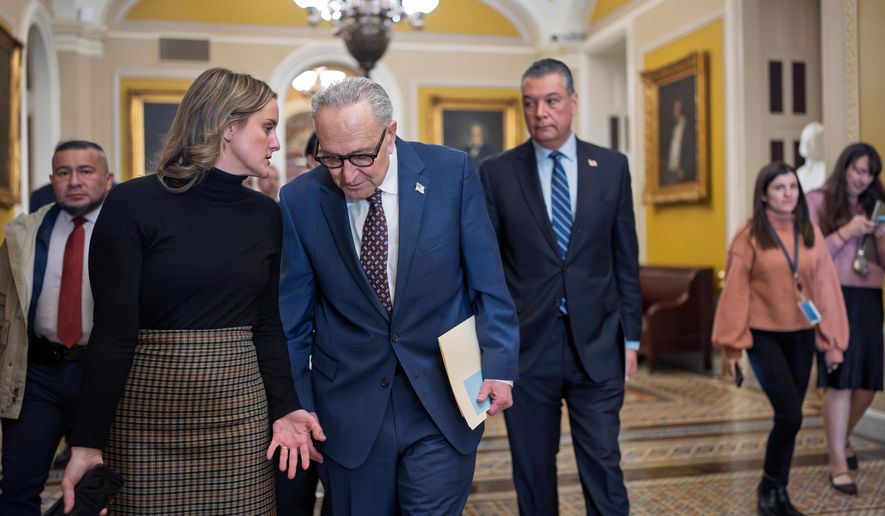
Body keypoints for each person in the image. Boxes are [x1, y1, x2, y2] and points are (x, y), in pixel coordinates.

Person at [61, 68, 324, 515]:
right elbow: (112, 331)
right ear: (226, 128)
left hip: (239, 422)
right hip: (144, 420)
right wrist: (86, 441)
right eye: (267, 127)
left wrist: (285, 407)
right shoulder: (132, 204)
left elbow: (266, 324)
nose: (277, 142)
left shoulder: (265, 215)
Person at [279, 77, 518, 514]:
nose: (347, 174)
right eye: (331, 158)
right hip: (347, 411)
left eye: (361, 156)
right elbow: (293, 319)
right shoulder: (299, 199)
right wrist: (296, 404)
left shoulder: (451, 173)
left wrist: (500, 366)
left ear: (391, 133)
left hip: (442, 400)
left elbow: (488, 281)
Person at [479, 58, 641, 516]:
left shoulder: (611, 167)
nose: (540, 113)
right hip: (528, 349)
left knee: (604, 465)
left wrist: (631, 337)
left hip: (599, 344)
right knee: (531, 470)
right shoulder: (497, 173)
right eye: (530, 103)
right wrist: (495, 351)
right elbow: (491, 271)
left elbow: (625, 257)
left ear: (573, 102)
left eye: (551, 101)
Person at [713, 162, 848, 516]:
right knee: (790, 415)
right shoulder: (749, 236)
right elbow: (736, 293)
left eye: (793, 187)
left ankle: (779, 493)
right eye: (779, 187)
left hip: (802, 336)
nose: (788, 193)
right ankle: (768, 488)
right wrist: (732, 345)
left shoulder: (810, 233)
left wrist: (833, 342)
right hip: (763, 337)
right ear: (763, 194)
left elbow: (826, 290)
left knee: (790, 416)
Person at [0, 140, 113, 515]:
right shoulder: (24, 233)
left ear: (108, 179)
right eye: (64, 173)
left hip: (102, 375)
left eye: (86, 171)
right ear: (52, 180)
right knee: (17, 488)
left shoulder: (126, 231)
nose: (74, 181)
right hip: (39, 376)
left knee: (101, 487)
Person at [806, 142, 884, 496]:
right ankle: (838, 461)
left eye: (869, 173)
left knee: (867, 381)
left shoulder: (877, 205)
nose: (862, 179)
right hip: (833, 295)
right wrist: (847, 232)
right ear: (845, 167)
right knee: (840, 379)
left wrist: (880, 241)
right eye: (858, 170)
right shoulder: (817, 201)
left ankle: (841, 439)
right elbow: (810, 256)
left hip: (869, 297)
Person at [796, 122, 826, 192]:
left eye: (811, 140)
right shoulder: (800, 172)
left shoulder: (825, 170)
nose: (806, 143)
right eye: (804, 138)